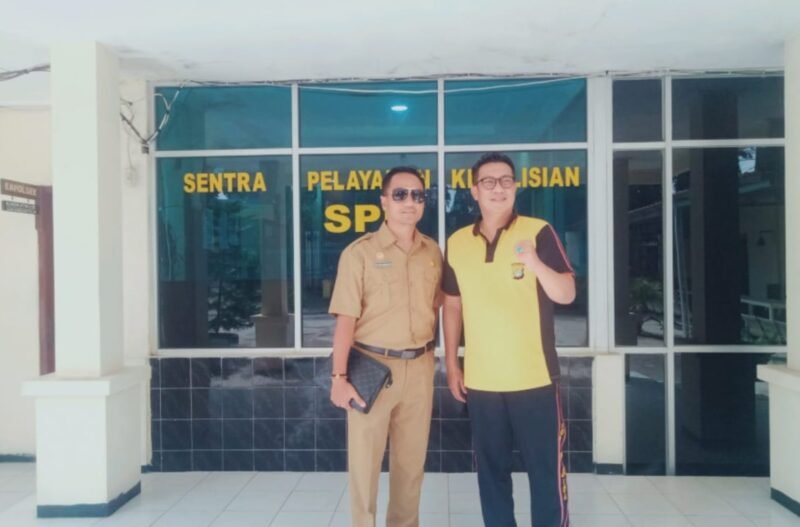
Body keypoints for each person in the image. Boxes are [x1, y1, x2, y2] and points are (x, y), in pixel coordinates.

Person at [442, 152, 576, 527]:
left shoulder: (538, 231)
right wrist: (451, 363)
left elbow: (566, 293)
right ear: (474, 191)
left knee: (546, 474)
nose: (497, 188)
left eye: (505, 181)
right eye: (488, 181)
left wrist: (535, 263)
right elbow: (452, 305)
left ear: (515, 187)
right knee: (491, 476)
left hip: (534, 378)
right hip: (482, 381)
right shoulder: (457, 242)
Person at [328, 166, 442, 527]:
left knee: (411, 467)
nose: (410, 202)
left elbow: (439, 308)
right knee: (365, 467)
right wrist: (338, 378)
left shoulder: (432, 252)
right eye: (400, 194)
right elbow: (345, 321)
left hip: (420, 368)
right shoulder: (359, 253)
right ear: (384, 202)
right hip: (372, 370)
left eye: (418, 195)